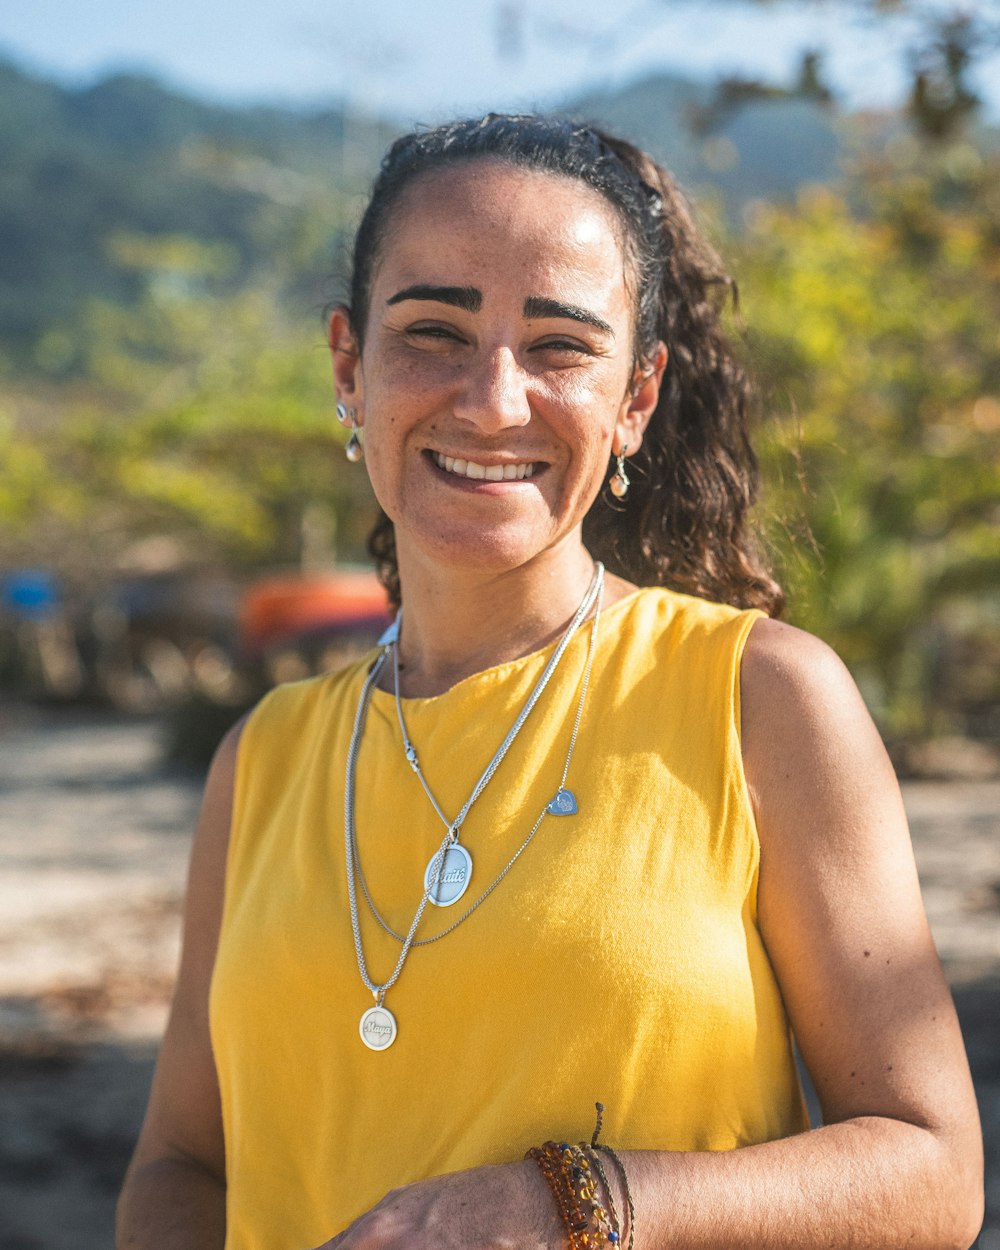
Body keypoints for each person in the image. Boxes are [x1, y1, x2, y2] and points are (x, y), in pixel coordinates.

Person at [117, 114, 983, 1250]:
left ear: (635, 397)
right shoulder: (265, 757)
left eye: (561, 346)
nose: (492, 399)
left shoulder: (759, 699)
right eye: (432, 329)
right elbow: (182, 1162)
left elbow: (930, 1171)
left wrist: (570, 1201)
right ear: (349, 366)